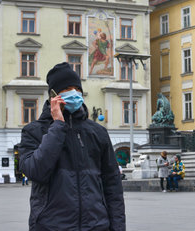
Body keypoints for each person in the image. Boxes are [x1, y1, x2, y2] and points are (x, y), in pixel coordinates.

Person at [19, 62, 125, 230]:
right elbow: (36, 171)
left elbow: (113, 186)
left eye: (77, 89)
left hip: (96, 226)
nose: (74, 93)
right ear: (53, 95)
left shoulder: (98, 132)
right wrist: (58, 125)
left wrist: (118, 228)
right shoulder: (33, 131)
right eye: (67, 89)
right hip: (52, 226)